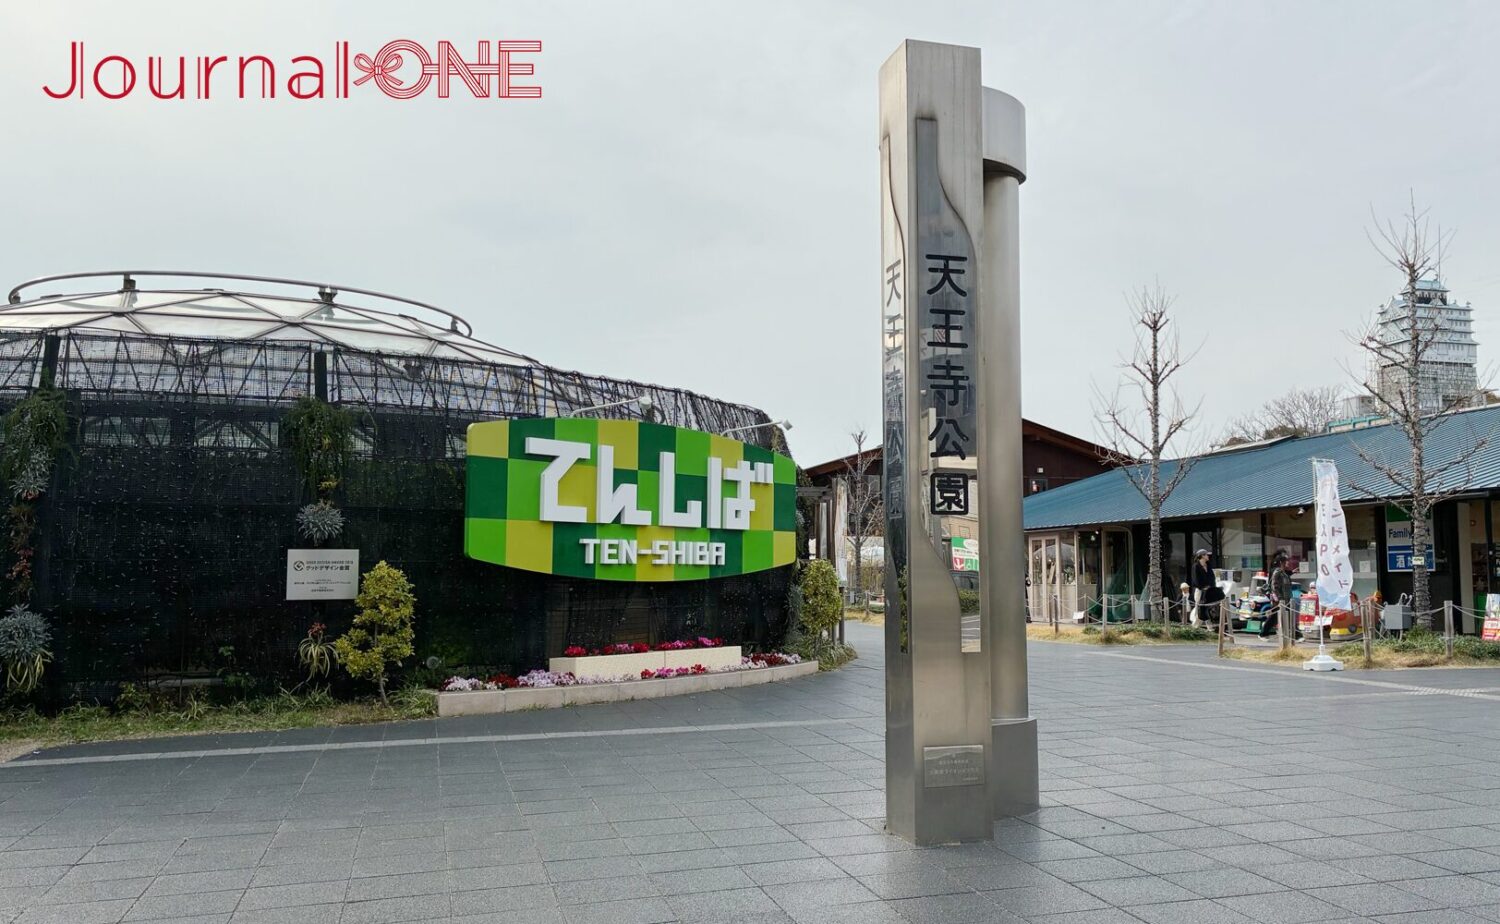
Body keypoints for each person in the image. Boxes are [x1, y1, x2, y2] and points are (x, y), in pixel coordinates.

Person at [1267, 554, 1298, 638]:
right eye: (1286, 561)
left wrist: (1292, 572)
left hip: (1287, 600)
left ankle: (1292, 634)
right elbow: (1274, 586)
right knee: (1276, 617)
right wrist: (1280, 598)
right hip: (1281, 601)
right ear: (1281, 562)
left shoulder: (1284, 573)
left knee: (1284, 617)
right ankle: (1265, 633)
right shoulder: (1277, 572)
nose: (1288, 563)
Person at [1190, 549, 1223, 626]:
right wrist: (1202, 587)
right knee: (1199, 609)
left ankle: (1209, 628)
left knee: (1207, 609)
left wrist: (1212, 587)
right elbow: (1195, 580)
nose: (1208, 556)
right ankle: (1195, 627)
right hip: (1200, 590)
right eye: (1206, 555)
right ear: (1202, 556)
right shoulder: (1196, 566)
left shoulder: (1209, 565)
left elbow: (1212, 578)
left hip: (1209, 591)